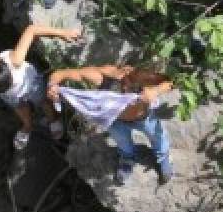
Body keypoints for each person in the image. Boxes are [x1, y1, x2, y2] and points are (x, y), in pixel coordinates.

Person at [0, 23, 81, 150]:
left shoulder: (15, 60)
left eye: (10, 84)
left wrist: (64, 33)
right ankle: (27, 126)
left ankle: (53, 119)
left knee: (44, 101)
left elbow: (32, 29)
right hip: (11, 96)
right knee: (19, 107)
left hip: (31, 84)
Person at [46, 64, 176, 185]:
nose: (126, 88)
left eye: (131, 85)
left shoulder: (145, 77)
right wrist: (52, 85)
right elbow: (63, 73)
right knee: (123, 142)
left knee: (157, 137)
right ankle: (127, 159)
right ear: (123, 72)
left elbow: (170, 82)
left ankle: (163, 157)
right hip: (115, 120)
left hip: (144, 118)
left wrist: (155, 91)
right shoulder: (104, 76)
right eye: (124, 83)